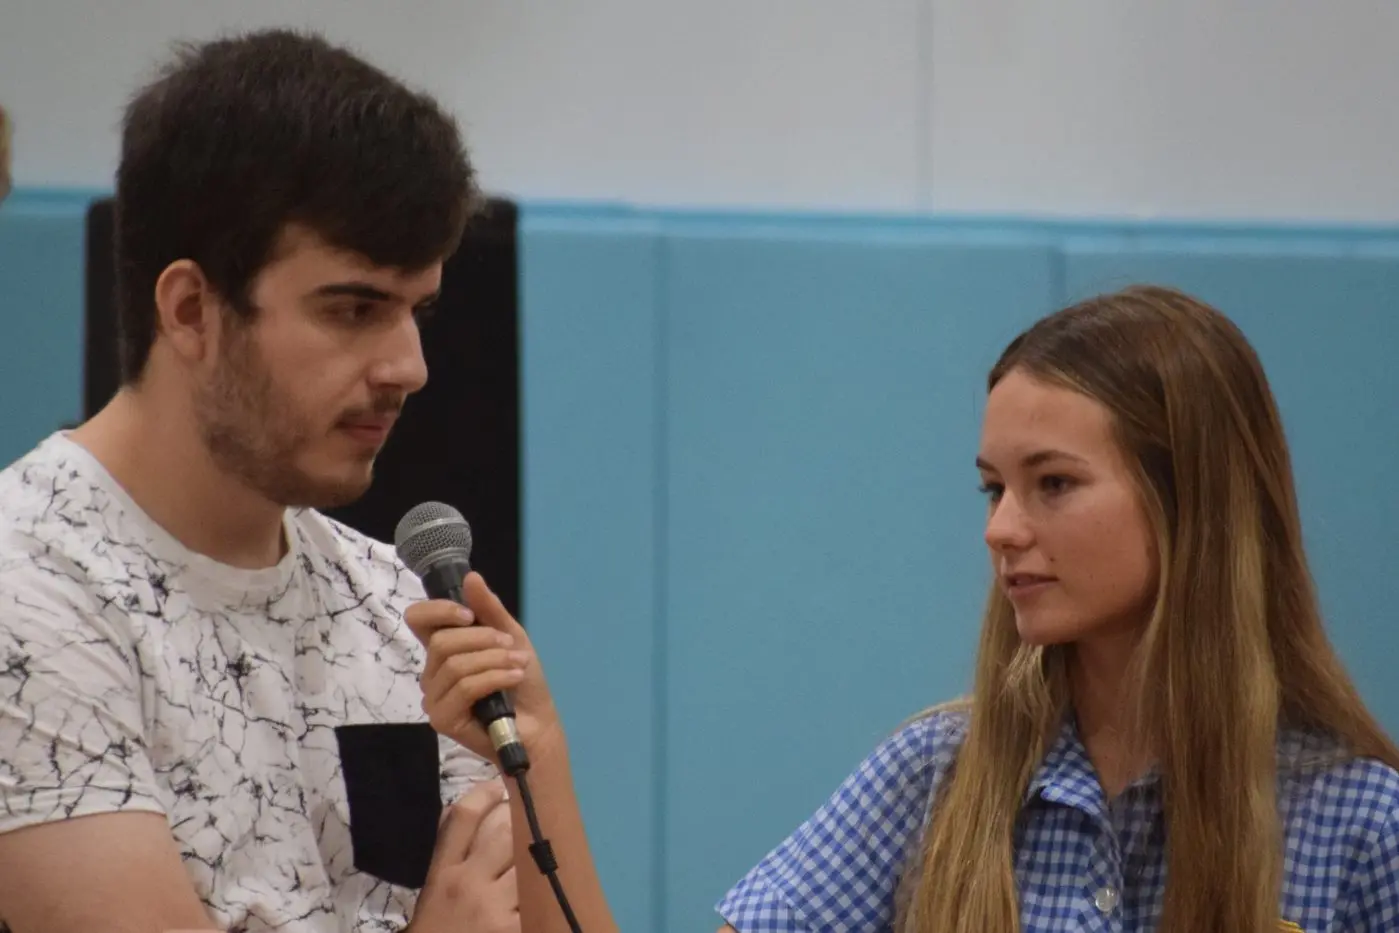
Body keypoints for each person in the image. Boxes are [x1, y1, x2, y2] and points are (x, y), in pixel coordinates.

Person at [407, 285, 1399, 932]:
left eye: (1051, 484)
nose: (1001, 529)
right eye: (991, 488)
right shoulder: (935, 782)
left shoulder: (1360, 829)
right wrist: (540, 745)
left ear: (1190, 503)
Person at [0, 29, 521, 933]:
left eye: (417, 310)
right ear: (192, 310)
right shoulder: (32, 588)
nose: (409, 365)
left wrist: (538, 762)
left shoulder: (396, 600)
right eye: (355, 309)